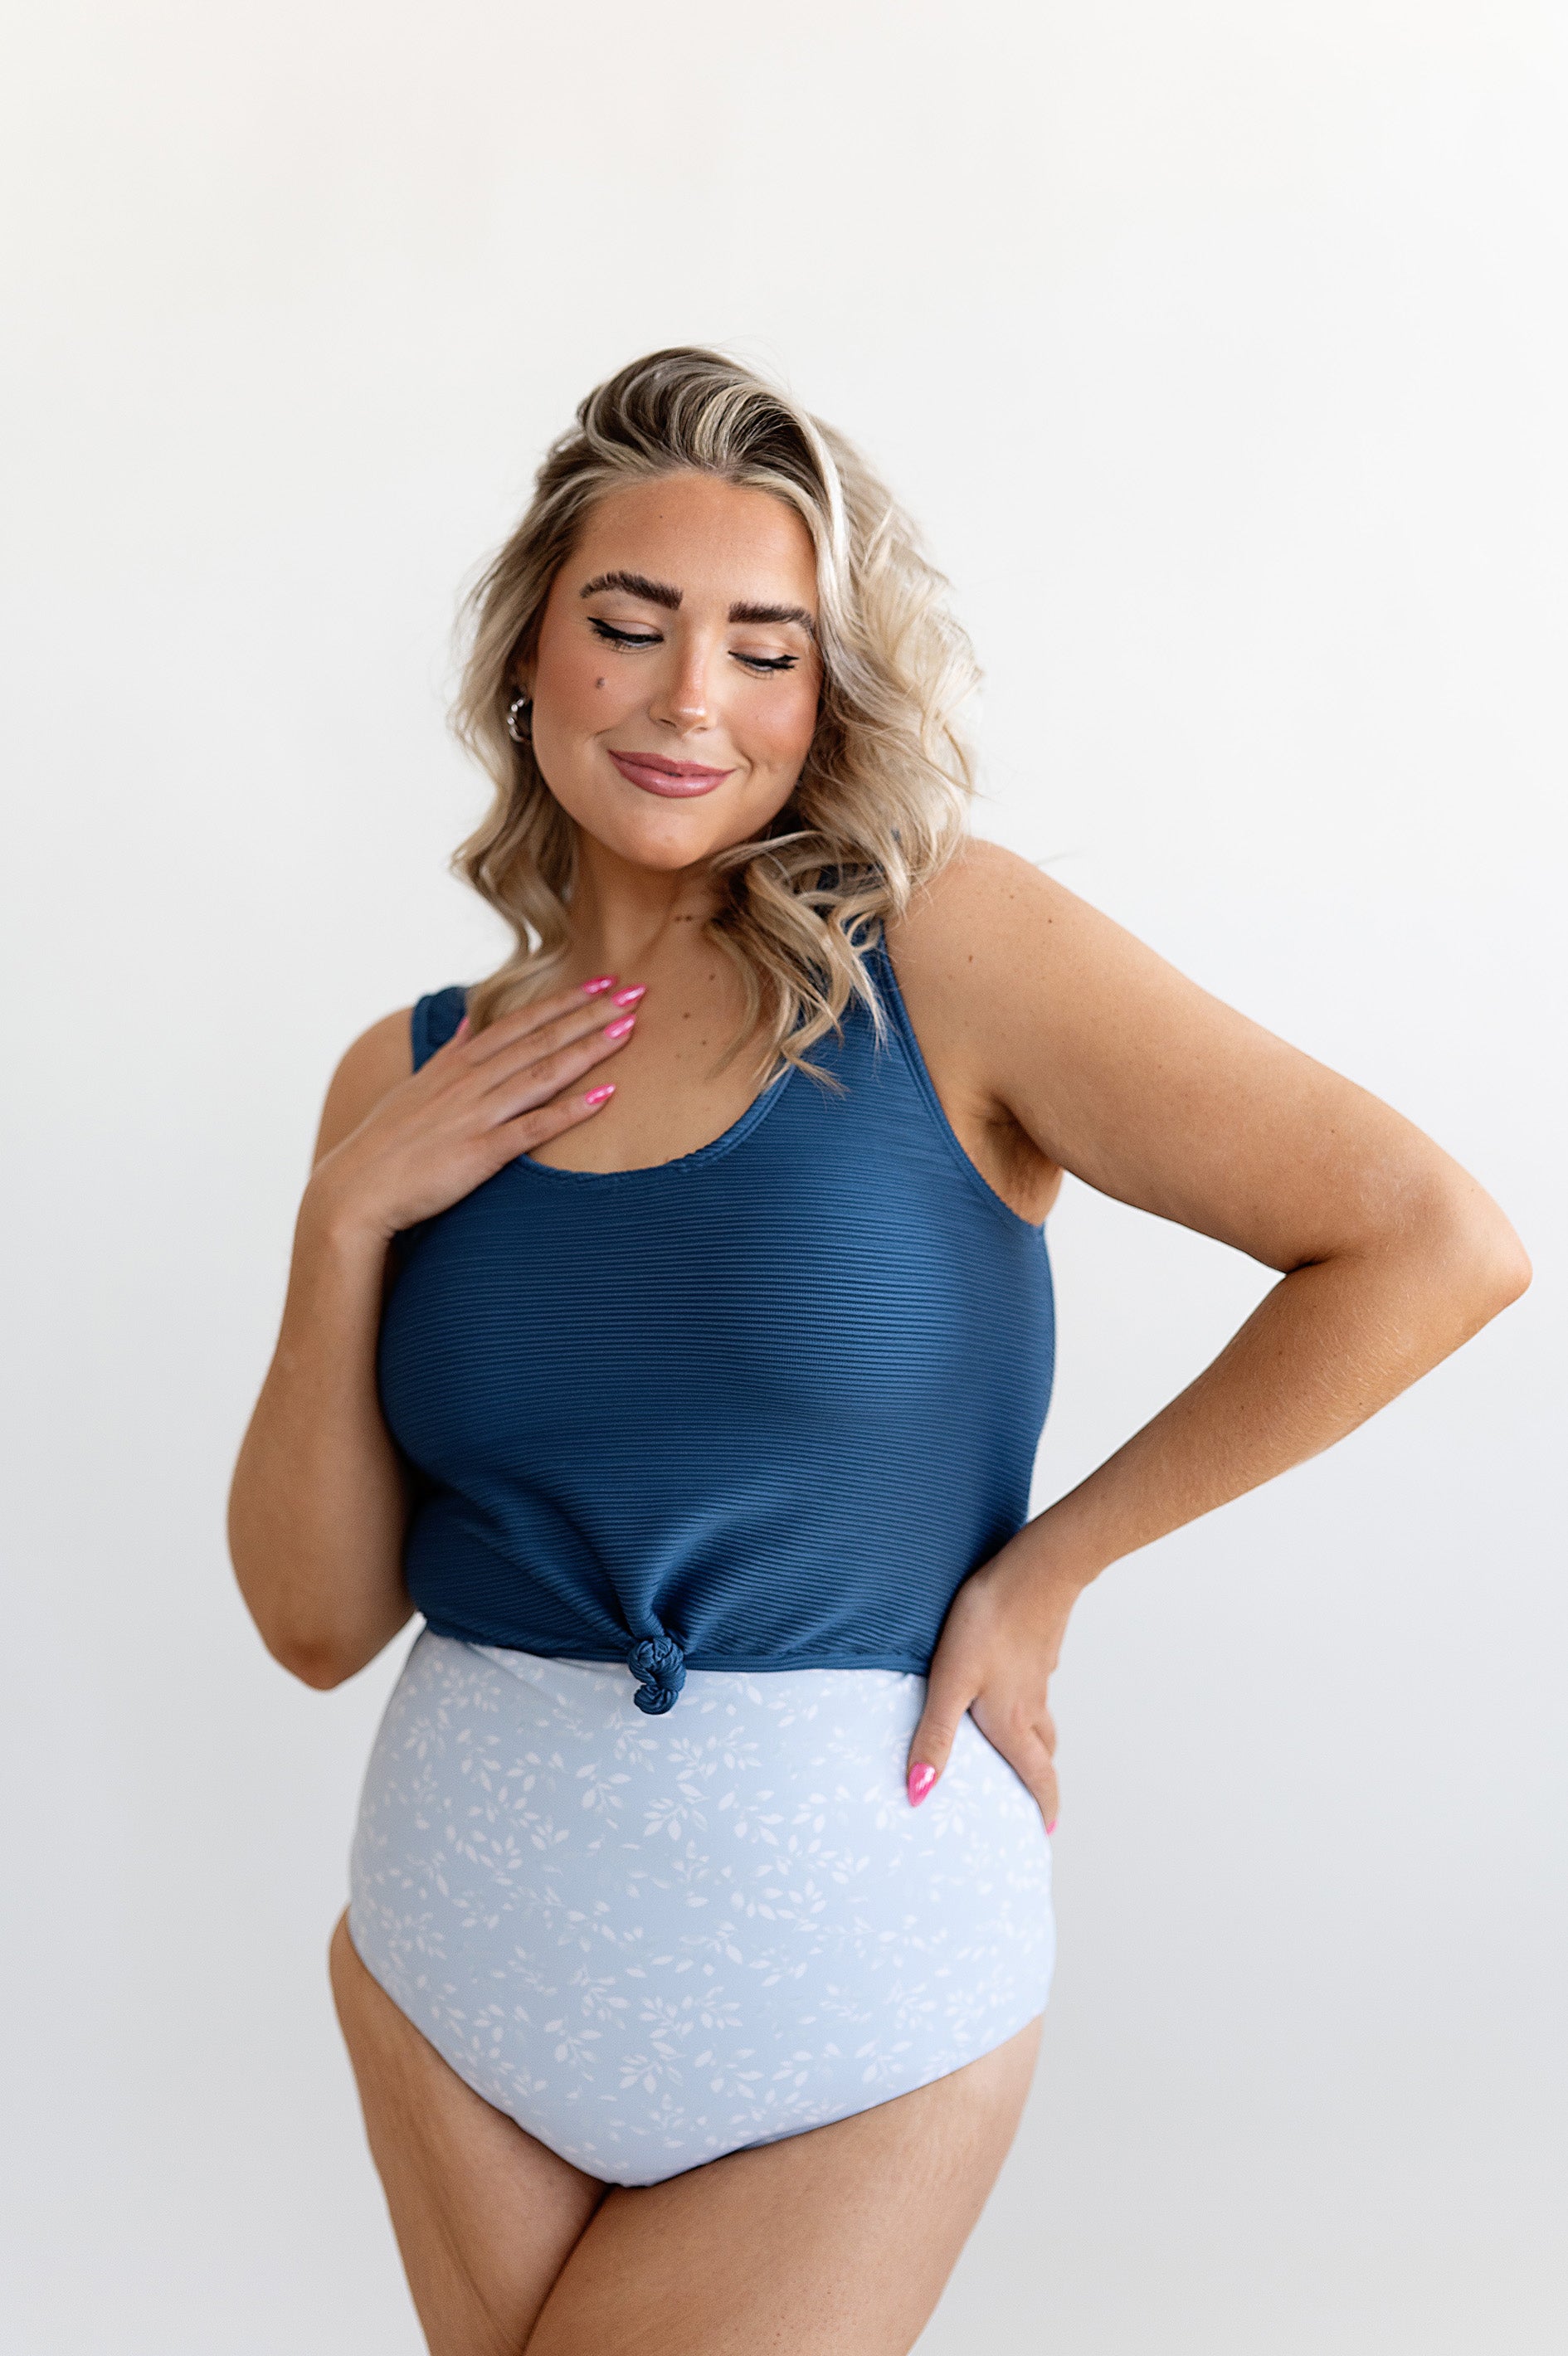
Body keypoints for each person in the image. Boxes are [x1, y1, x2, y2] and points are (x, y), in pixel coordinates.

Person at [227, 347, 1530, 2356]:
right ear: (527, 654)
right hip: (453, 1968)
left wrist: (1050, 1567)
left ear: (827, 697)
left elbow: (1430, 1244)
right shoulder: (400, 1077)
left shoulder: (947, 958)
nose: (690, 697)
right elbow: (317, 1626)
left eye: (765, 647)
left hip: (849, 1993)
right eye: (629, 624)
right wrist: (343, 1222)